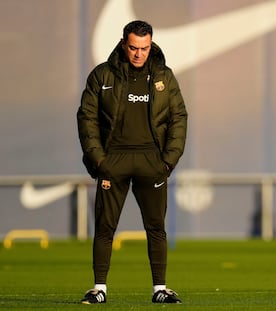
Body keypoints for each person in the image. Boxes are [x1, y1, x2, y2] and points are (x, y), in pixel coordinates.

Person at [76, 20, 187, 304]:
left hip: (153, 162)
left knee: (156, 228)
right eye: (134, 48)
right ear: (124, 44)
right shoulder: (102, 75)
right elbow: (87, 118)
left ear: (151, 44)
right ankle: (98, 289)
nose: (139, 54)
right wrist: (99, 160)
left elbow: (178, 119)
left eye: (145, 48)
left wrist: (167, 162)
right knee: (104, 227)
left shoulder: (165, 76)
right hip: (113, 161)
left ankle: (159, 290)